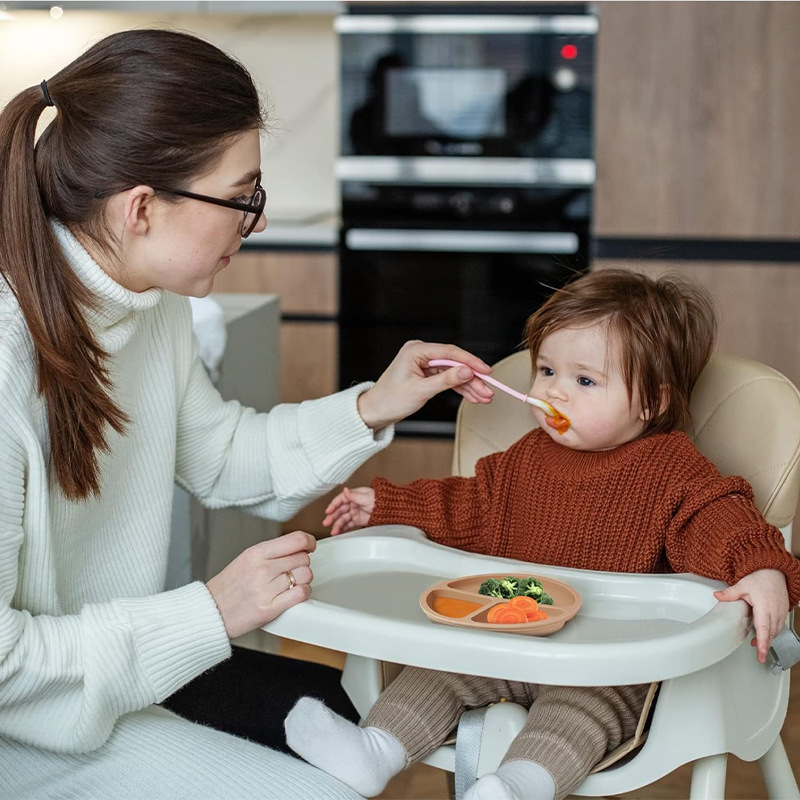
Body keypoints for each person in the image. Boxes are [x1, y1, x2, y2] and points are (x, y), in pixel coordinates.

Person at [0, 28, 496, 800]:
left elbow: (223, 457)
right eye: (241, 198)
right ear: (140, 209)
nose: (255, 222)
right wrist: (211, 612)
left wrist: (375, 403)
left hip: (101, 683)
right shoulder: (5, 358)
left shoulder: (148, 303)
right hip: (24, 726)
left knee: (339, 716)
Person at [284, 269, 800, 800]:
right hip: (503, 640)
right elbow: (469, 507)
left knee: (577, 715)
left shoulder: (670, 469)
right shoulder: (527, 457)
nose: (553, 390)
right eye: (546, 369)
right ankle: (376, 751)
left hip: (602, 668)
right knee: (433, 673)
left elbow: (719, 519)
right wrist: (386, 504)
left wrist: (761, 568)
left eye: (584, 380)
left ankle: (518, 786)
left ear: (651, 402)